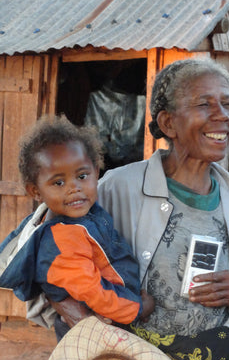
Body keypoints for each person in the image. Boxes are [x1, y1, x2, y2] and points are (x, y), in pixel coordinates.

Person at [28, 58, 229, 360]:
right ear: (169, 122)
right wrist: (69, 310)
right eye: (205, 104)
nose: (222, 116)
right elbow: (43, 255)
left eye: (228, 104)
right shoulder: (116, 188)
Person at [0, 115, 154, 339]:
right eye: (58, 182)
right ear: (35, 191)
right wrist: (137, 309)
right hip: (94, 326)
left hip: (110, 314)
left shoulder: (82, 215)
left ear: (96, 172)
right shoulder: (62, 240)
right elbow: (95, 293)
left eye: (82, 176)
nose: (75, 188)